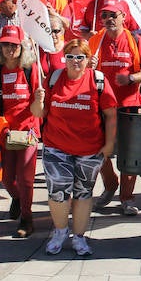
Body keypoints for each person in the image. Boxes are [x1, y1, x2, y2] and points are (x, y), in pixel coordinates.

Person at [31, 39, 118, 256]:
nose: (75, 61)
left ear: (88, 60)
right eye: (70, 56)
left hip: (90, 149)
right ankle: (60, 232)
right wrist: (38, 100)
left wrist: (109, 144)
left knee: (83, 193)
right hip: (56, 147)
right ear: (65, 59)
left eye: (80, 57)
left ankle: (79, 238)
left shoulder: (98, 80)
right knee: (58, 192)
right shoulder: (53, 79)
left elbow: (110, 115)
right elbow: (38, 113)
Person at [88, 0, 141, 216]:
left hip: (129, 108)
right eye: (105, 16)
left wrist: (132, 78)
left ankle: (127, 198)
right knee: (99, 151)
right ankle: (110, 185)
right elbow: (81, 71)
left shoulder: (134, 40)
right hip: (102, 108)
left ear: (123, 17)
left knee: (129, 155)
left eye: (113, 15)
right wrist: (88, 64)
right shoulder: (96, 40)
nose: (108, 20)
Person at [0, 26, 40, 238]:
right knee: (6, 179)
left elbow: (37, 102)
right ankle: (17, 198)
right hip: (3, 132)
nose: (9, 49)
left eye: (14, 45)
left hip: (27, 132)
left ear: (21, 47)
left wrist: (40, 100)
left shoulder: (30, 69)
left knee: (26, 178)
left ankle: (27, 218)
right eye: (6, 44)